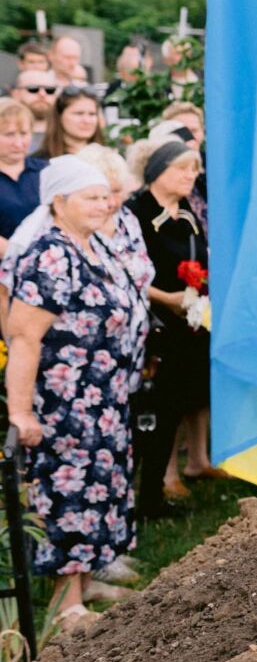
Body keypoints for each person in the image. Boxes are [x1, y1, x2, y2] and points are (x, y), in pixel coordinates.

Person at [3, 156, 151, 633]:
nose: (104, 204)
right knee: (69, 496)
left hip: (102, 401)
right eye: (90, 197)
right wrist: (21, 411)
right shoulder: (51, 254)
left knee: (100, 490)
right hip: (64, 402)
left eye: (104, 196)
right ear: (58, 202)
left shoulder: (90, 244)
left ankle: (86, 583)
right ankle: (65, 606)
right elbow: (23, 335)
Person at [126, 137, 215, 513]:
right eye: (182, 168)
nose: (190, 176)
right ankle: (147, 491)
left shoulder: (187, 214)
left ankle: (160, 491)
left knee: (180, 404)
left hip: (188, 323)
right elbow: (131, 271)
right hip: (155, 324)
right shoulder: (137, 212)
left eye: (194, 169)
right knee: (154, 410)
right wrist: (166, 298)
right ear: (157, 171)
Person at [0, 101, 49, 248]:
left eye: (24, 134)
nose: (19, 143)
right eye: (9, 135)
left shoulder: (45, 170)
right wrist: (17, 254)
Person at [39, 86, 104, 160]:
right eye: (79, 113)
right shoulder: (39, 162)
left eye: (92, 114)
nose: (87, 120)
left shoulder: (108, 157)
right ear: (59, 116)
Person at [10, 68, 59, 143]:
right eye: (33, 89)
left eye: (50, 90)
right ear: (16, 94)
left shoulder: (69, 131)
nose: (42, 94)